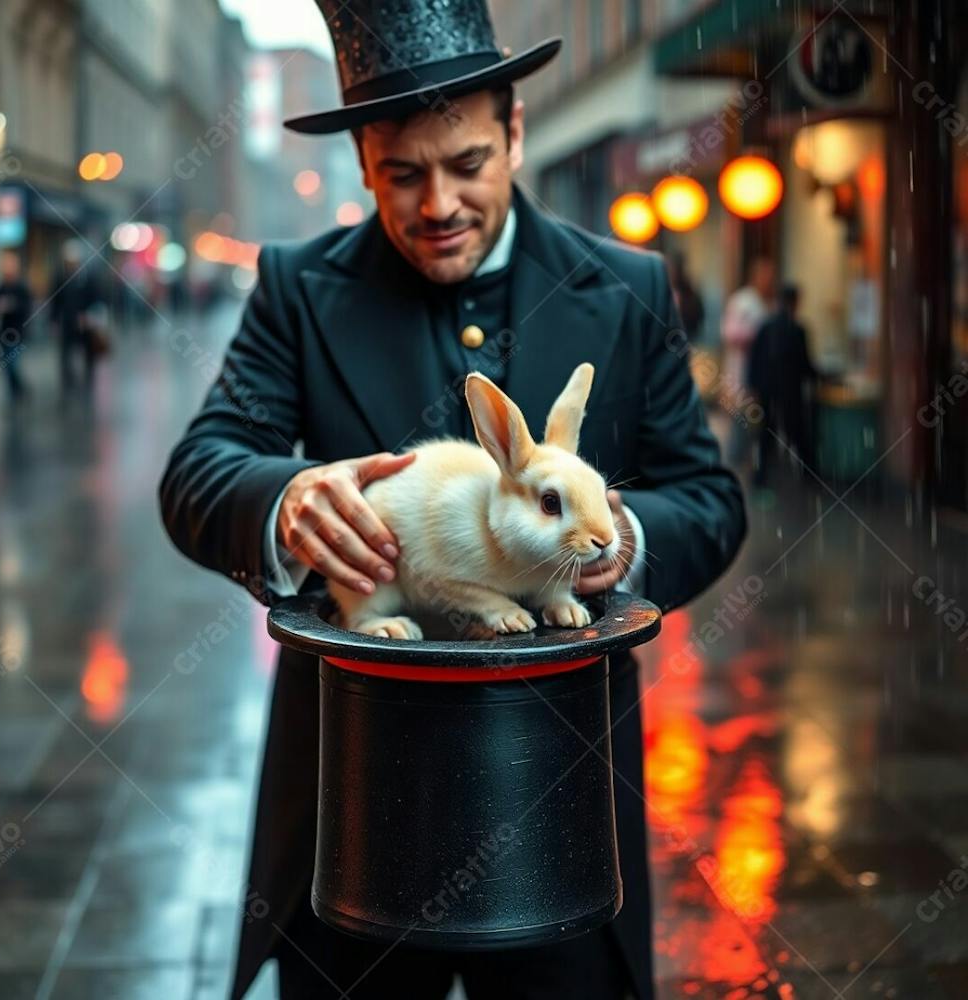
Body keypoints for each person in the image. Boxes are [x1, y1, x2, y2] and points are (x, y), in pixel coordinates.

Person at [159, 3, 746, 998]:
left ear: (515, 135)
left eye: (467, 162)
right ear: (362, 164)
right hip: (348, 813)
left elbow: (709, 498)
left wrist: (620, 538)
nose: (438, 203)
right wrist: (287, 498)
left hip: (560, 804)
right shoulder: (297, 288)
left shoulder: (628, 284)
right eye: (402, 173)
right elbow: (199, 471)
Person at [747, 283, 820, 487]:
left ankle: (760, 477)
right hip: (789, 390)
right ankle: (809, 475)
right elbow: (805, 364)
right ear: (795, 302)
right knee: (796, 430)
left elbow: (754, 360)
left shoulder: (766, 327)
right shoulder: (797, 330)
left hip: (767, 388)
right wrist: (820, 377)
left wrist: (753, 386)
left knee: (765, 434)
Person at [720, 255, 775, 462]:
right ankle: (735, 462)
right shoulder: (744, 301)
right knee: (740, 417)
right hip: (741, 370)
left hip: (759, 372)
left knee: (755, 420)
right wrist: (756, 336)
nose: (769, 281)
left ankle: (751, 461)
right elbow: (729, 332)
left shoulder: (766, 302)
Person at [50, 240, 100, 400]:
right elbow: (55, 301)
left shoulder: (88, 278)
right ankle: (68, 381)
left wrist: (88, 316)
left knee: (88, 352)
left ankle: (88, 379)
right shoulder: (60, 277)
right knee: (65, 354)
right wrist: (54, 320)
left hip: (85, 323)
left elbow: (97, 298)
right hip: (68, 322)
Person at [0, 249, 32, 404]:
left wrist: (11, 306)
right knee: (5, 365)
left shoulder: (21, 287)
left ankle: (20, 389)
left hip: (17, 332)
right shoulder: (1, 286)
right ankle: (13, 393)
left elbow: (26, 308)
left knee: (12, 364)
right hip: (4, 333)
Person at [666, 252, 704, 343]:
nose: (671, 272)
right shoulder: (663, 291)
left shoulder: (688, 293)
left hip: (688, 338)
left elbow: (698, 314)